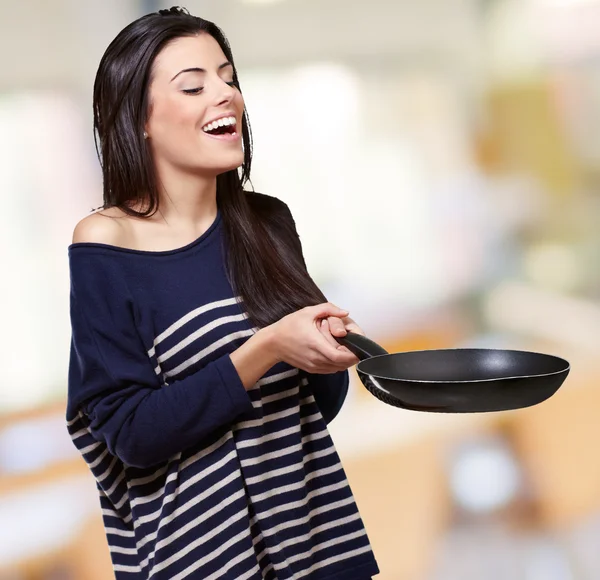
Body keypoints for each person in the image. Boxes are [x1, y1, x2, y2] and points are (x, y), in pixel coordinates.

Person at [66, 6, 380, 580]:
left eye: (229, 78)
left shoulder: (268, 223)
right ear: (138, 118)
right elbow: (131, 435)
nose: (226, 95)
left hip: (317, 548)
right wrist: (268, 348)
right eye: (194, 85)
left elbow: (314, 411)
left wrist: (324, 350)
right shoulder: (106, 242)